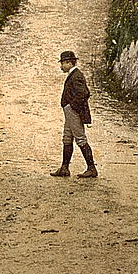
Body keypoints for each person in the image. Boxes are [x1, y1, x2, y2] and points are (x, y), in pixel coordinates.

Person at [51, 50, 97, 178]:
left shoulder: (76, 75)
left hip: (73, 112)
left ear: (69, 63)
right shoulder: (74, 74)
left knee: (80, 138)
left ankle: (92, 168)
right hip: (70, 111)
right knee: (67, 138)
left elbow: (84, 93)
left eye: (62, 64)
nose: (61, 67)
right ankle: (64, 168)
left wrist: (72, 107)